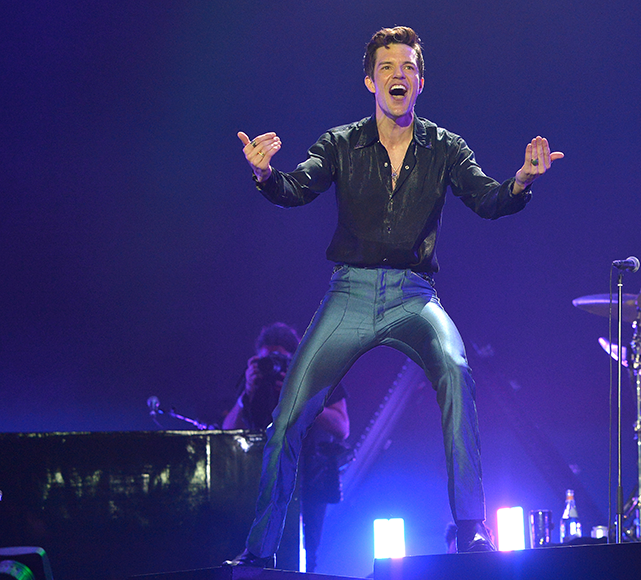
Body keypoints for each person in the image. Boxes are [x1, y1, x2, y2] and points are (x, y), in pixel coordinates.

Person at [225, 26, 562, 566]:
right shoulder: (340, 143)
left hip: (414, 294)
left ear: (420, 82)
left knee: (456, 368)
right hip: (350, 292)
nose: (397, 75)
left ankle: (470, 529)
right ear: (370, 81)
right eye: (387, 67)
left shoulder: (445, 147)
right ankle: (260, 553)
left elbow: (488, 199)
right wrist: (265, 175)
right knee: (288, 417)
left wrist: (521, 180)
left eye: (407, 67)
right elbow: (297, 187)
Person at [222, 322, 350, 573]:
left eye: (282, 360)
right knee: (258, 554)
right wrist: (246, 394)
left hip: (310, 479)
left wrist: (301, 398)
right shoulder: (256, 382)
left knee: (307, 554)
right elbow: (226, 432)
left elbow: (342, 426)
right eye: (268, 360)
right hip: (262, 481)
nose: (275, 366)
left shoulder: (317, 373)